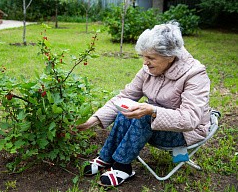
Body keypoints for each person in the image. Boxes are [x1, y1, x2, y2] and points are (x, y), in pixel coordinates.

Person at [77, 21, 211, 187]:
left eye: (150, 58)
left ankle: (122, 166)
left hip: (186, 132)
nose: (144, 63)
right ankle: (106, 158)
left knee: (144, 115)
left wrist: (152, 111)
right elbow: (125, 97)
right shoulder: (149, 69)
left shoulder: (195, 74)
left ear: (170, 57)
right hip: (156, 124)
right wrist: (94, 120)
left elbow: (190, 119)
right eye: (143, 56)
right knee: (127, 107)